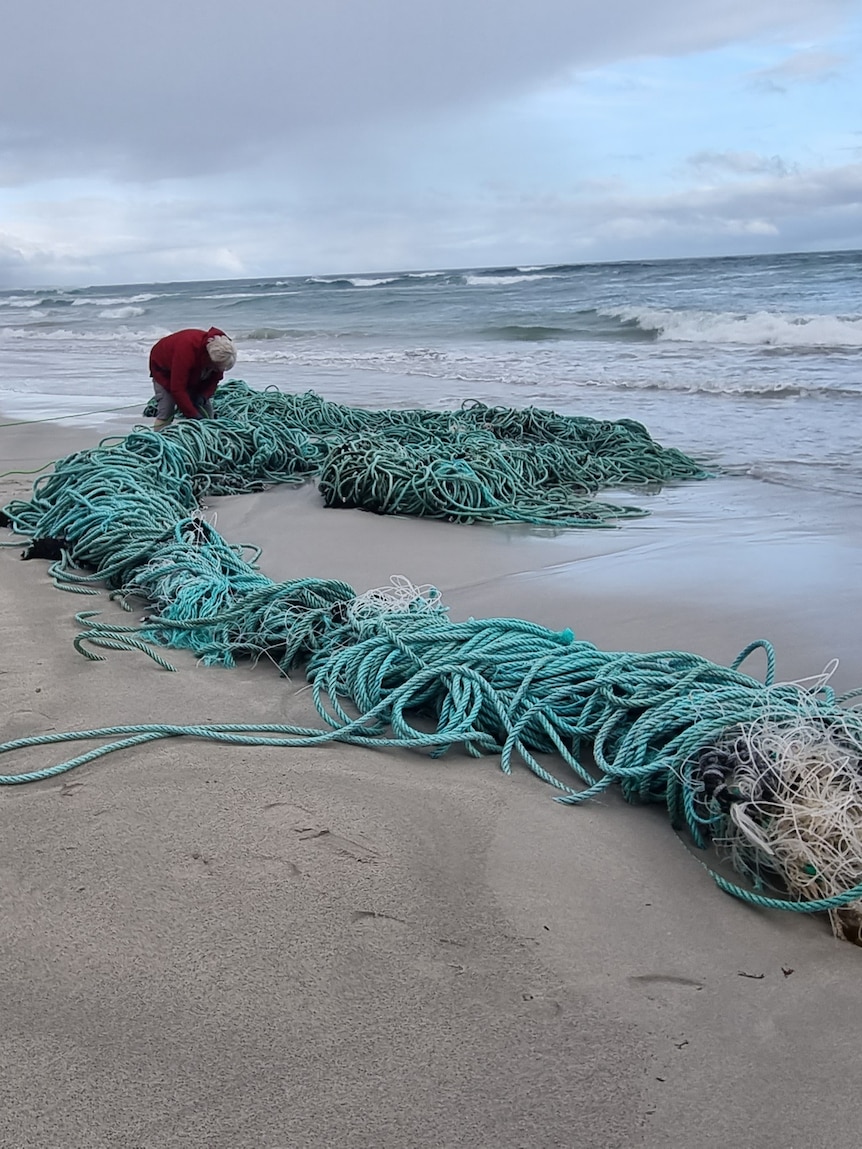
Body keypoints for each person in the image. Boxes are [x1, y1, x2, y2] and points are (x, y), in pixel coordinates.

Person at [149, 327, 238, 430]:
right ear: (210, 358)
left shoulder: (223, 351)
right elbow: (177, 389)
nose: (216, 370)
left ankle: (207, 441)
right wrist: (192, 415)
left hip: (195, 369)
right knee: (167, 410)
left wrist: (203, 396)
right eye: (215, 367)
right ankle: (158, 441)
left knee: (207, 413)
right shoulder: (186, 350)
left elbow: (214, 380)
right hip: (164, 370)